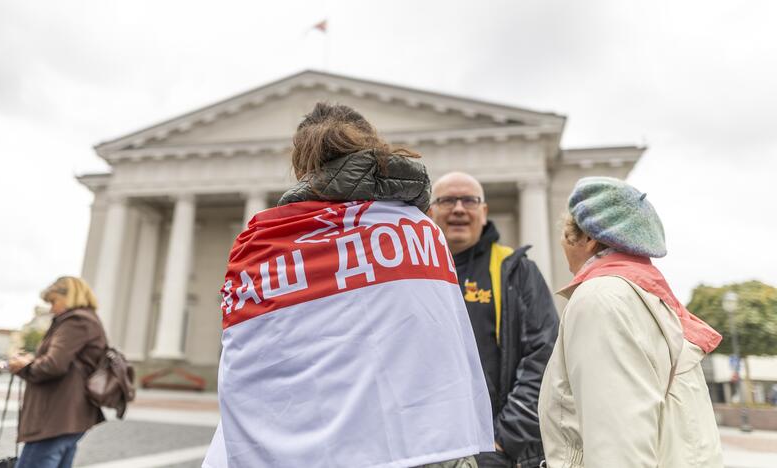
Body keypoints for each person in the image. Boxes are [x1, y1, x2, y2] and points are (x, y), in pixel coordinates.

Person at [202, 103, 494, 468]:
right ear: (373, 147)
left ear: (304, 167)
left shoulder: (265, 242)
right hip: (432, 442)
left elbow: (249, 368)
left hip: (322, 450)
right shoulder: (421, 230)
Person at [538, 176, 724, 467]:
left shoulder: (601, 299)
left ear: (587, 239)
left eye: (565, 233)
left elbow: (618, 448)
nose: (562, 244)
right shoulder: (648, 299)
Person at [429, 173, 559, 468]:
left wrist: (503, 440)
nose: (459, 208)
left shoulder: (517, 271)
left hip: (497, 451)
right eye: (447, 200)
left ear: (484, 212)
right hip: (431, 449)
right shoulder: (413, 275)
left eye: (469, 201)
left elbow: (543, 356)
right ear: (430, 212)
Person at [8, 276, 107, 468]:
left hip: (56, 416)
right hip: (67, 415)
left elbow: (54, 365)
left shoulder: (75, 321)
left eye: (53, 301)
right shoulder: (87, 320)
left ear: (69, 296)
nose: (51, 308)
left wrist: (23, 365)